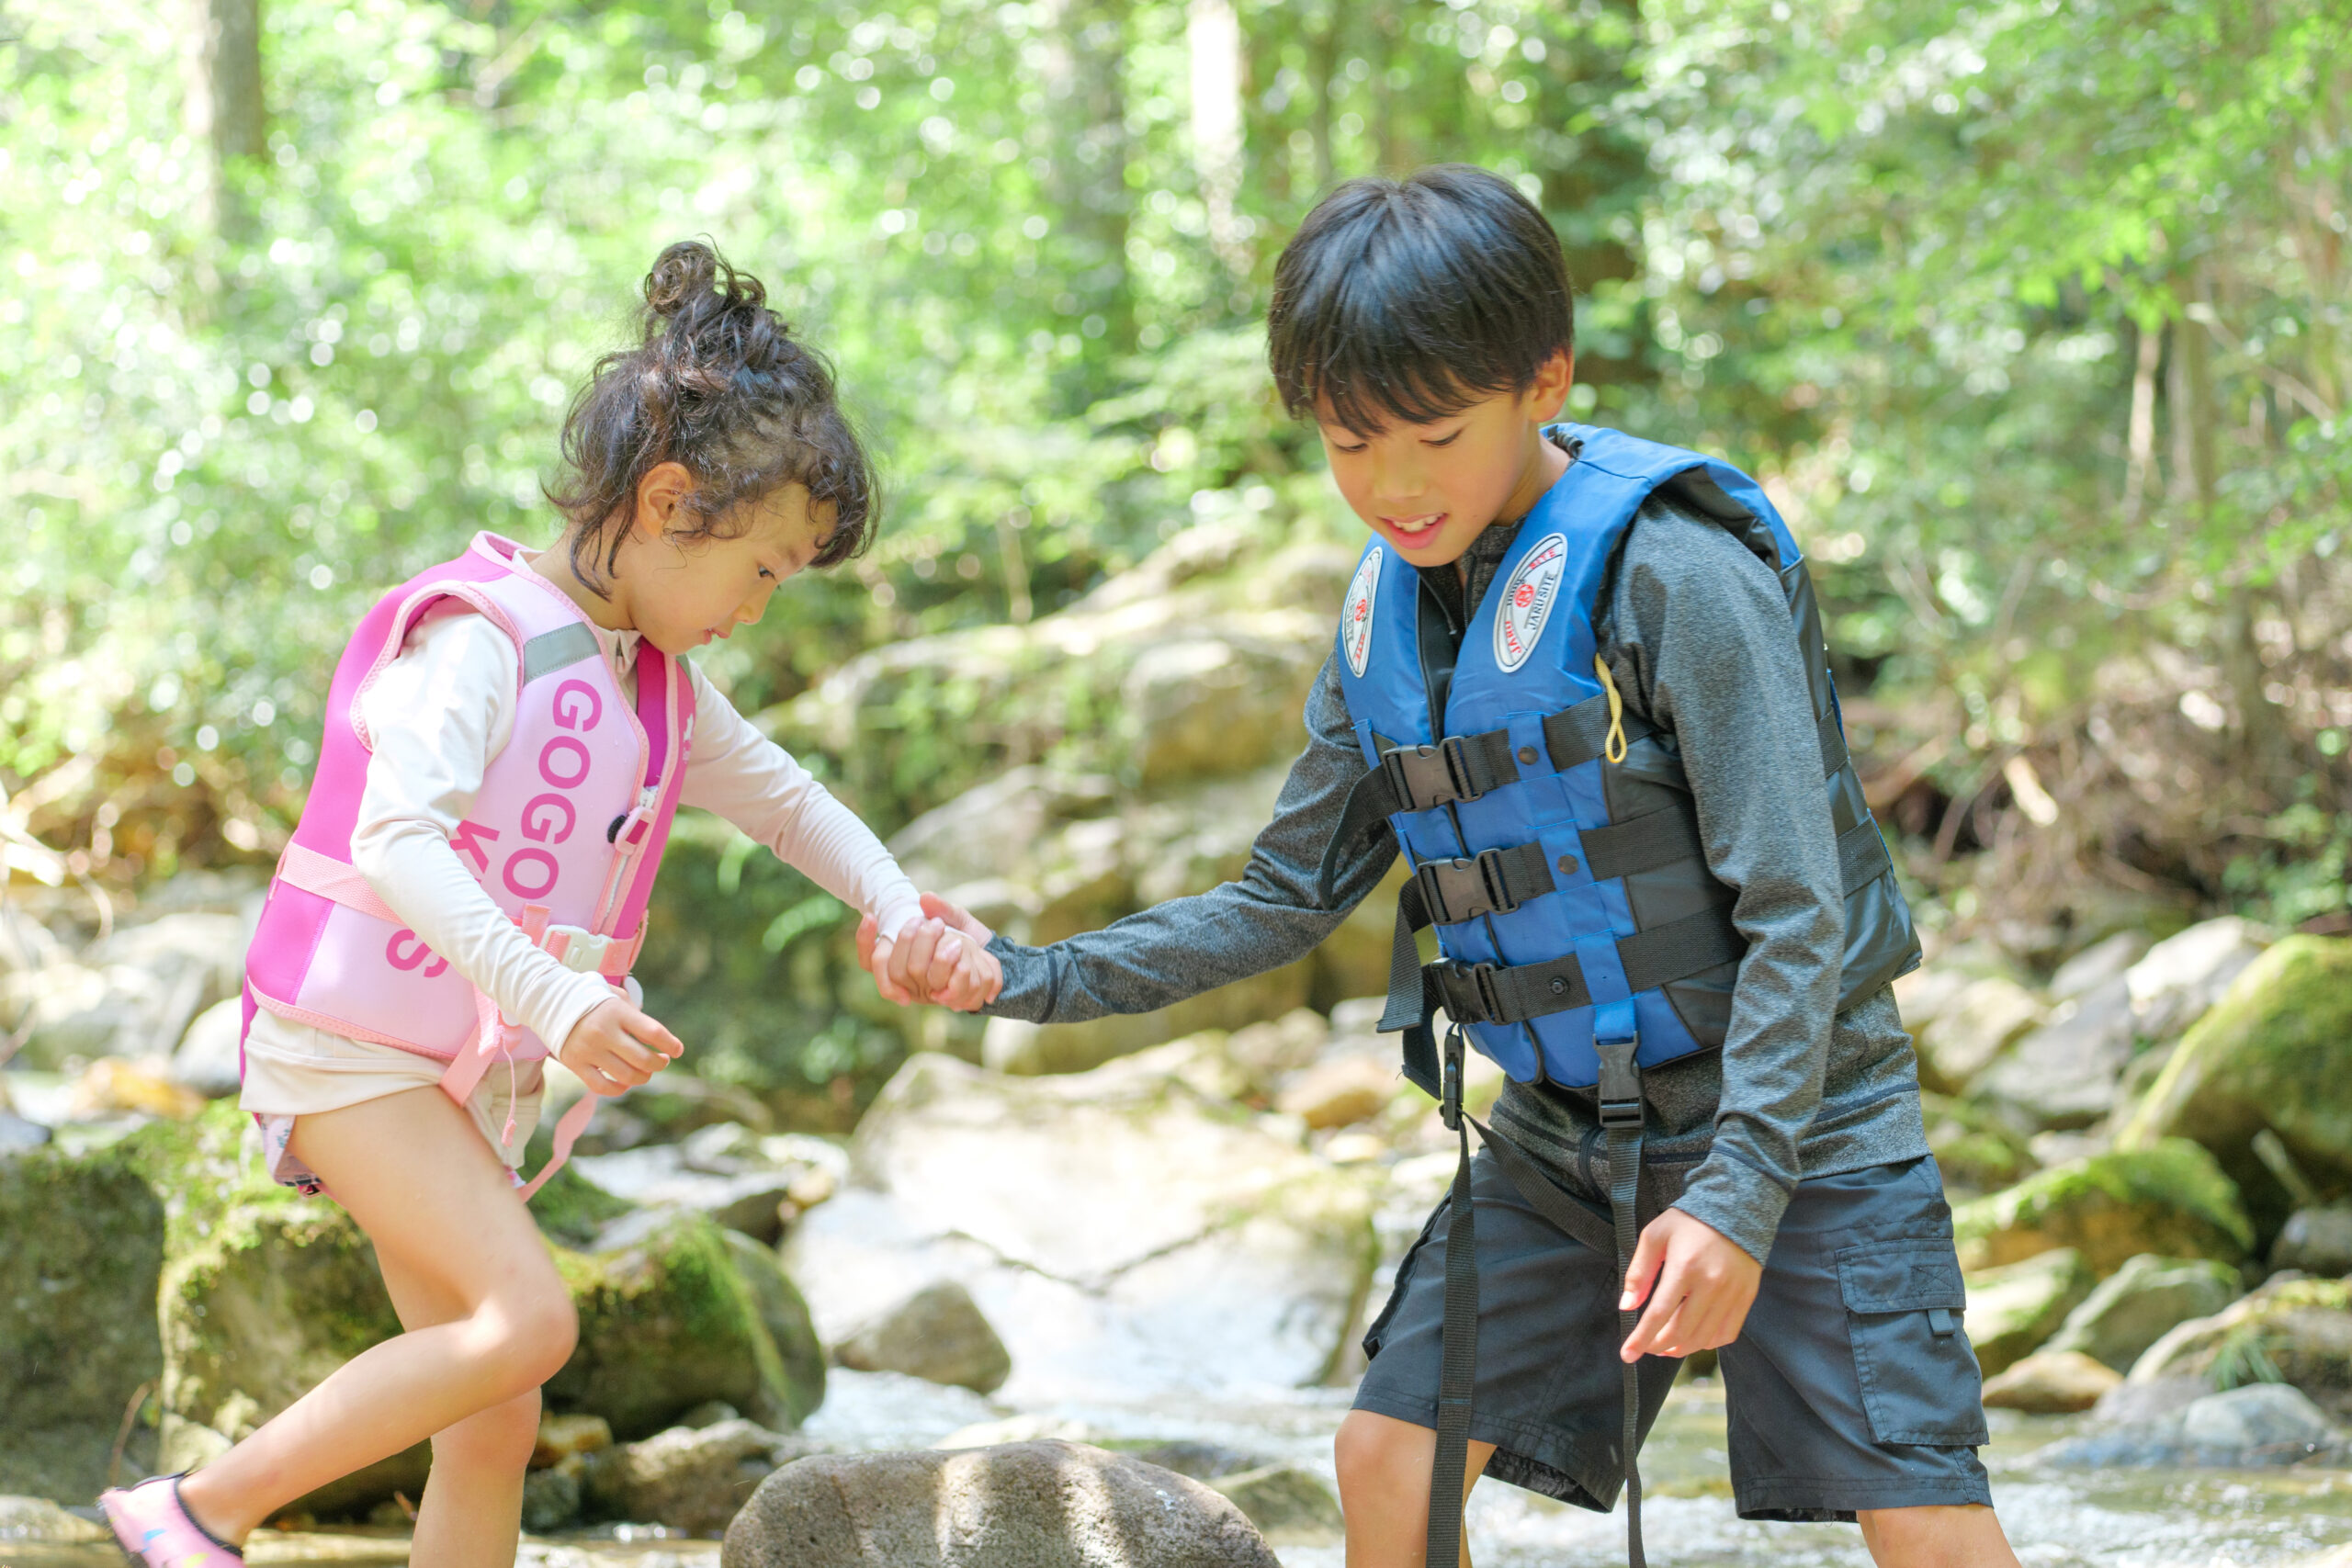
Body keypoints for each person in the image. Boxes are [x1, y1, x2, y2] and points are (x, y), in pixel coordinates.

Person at [865, 166, 2019, 1568]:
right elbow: (1279, 898)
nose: (1394, 488)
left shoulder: (1672, 577)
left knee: (1921, 1517)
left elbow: (1801, 910)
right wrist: (1021, 974)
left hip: (1805, 1110)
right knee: (1389, 1461)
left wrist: (1739, 1190)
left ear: (1547, 378)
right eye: (1352, 445)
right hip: (1565, 1132)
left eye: (1431, 434)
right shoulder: (1389, 627)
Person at [100, 241, 1000, 1568]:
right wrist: (558, 994)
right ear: (668, 502)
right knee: (529, 1322)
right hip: (348, 1051)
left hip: (441, 1073)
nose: (760, 606)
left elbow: (792, 805)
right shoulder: (481, 638)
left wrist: (893, 905)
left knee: (494, 1414)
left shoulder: (659, 689)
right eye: (759, 569)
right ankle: (193, 1510)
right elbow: (394, 835)